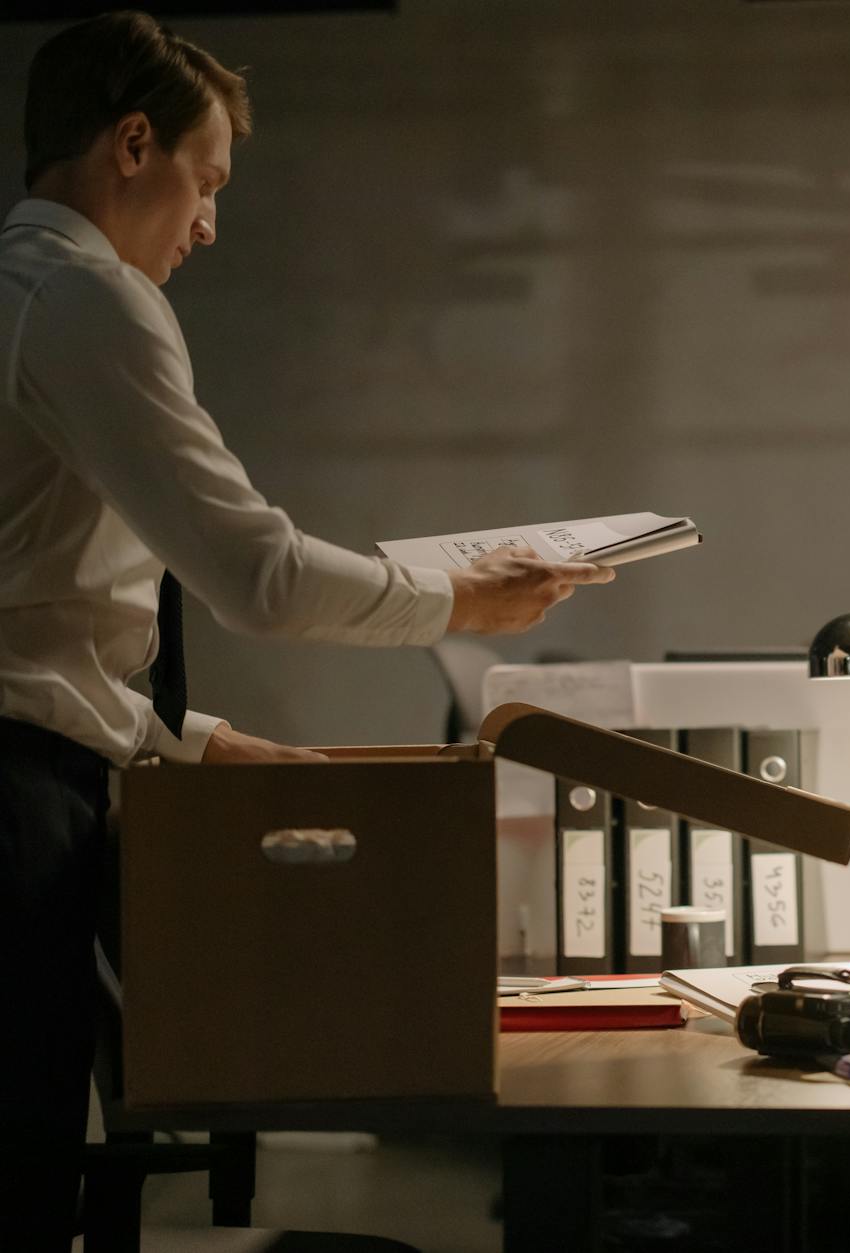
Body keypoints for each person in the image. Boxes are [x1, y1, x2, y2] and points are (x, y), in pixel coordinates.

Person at [0, 12, 613, 1248]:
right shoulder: (84, 297)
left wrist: (197, 742)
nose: (210, 224)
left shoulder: (28, 288)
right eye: (205, 180)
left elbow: (30, 622)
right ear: (133, 144)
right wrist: (462, 595)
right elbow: (259, 576)